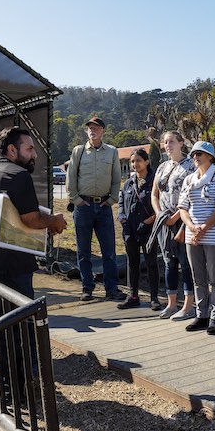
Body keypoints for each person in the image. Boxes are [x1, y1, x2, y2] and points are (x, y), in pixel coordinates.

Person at [0, 127, 67, 298]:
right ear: (12, 150)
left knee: (2, 322)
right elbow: (32, 219)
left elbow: (11, 218)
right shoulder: (18, 175)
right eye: (29, 149)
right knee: (23, 322)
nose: (34, 155)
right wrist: (54, 220)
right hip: (10, 267)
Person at [66, 117, 126, 302]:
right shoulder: (79, 151)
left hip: (104, 207)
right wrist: (76, 200)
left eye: (96, 128)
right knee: (83, 250)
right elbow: (71, 177)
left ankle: (111, 288)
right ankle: (87, 288)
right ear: (87, 132)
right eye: (90, 128)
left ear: (103, 131)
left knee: (108, 251)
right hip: (83, 206)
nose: (93, 131)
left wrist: (112, 199)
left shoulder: (112, 152)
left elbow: (117, 178)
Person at [178, 141, 215, 335]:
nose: (195, 157)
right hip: (193, 235)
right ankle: (202, 315)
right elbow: (182, 207)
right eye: (193, 154)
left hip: (214, 235)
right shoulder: (189, 179)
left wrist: (203, 228)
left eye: (200, 154)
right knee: (197, 277)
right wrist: (192, 227)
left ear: (210, 156)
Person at [150, 131, 196, 320]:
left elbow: (193, 196)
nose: (168, 145)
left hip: (182, 220)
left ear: (181, 143)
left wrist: (177, 216)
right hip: (164, 222)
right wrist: (160, 214)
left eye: (172, 141)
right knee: (169, 262)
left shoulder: (190, 167)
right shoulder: (162, 167)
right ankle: (171, 303)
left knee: (186, 263)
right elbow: (154, 194)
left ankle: (188, 306)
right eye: (165, 142)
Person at [117, 149, 160, 310]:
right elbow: (121, 202)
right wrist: (121, 216)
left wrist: (149, 221)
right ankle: (133, 296)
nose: (135, 164)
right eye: (132, 161)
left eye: (138, 161)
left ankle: (154, 298)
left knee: (151, 263)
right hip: (130, 229)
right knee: (132, 263)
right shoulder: (129, 183)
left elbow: (160, 205)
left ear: (147, 161)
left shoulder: (154, 181)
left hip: (148, 229)